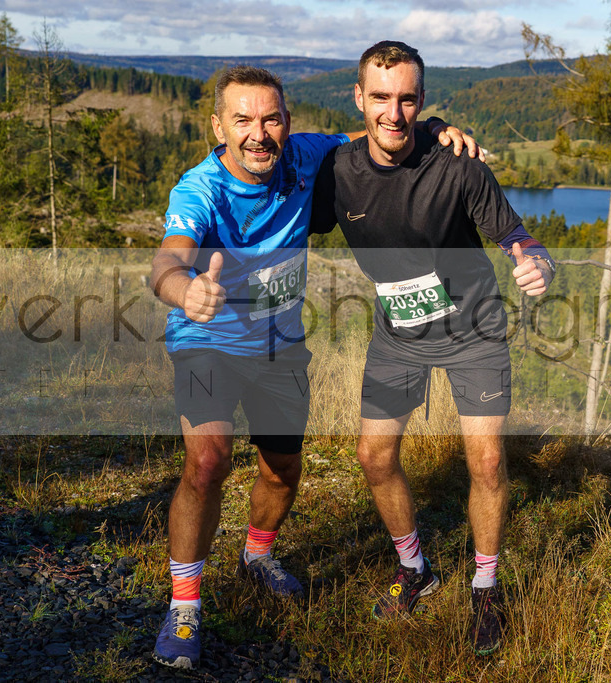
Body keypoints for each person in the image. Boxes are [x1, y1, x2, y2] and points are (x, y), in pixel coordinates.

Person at [148, 64, 479, 671]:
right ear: (218, 125)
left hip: (280, 349)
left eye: (270, 118)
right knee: (208, 461)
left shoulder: (306, 156)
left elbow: (381, 136)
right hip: (207, 340)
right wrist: (181, 289)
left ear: (287, 122)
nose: (258, 133)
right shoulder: (199, 190)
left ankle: (258, 554)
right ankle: (185, 605)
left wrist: (434, 128)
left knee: (281, 470)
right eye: (242, 120)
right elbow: (168, 259)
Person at [312, 41, 556, 656]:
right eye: (381, 98)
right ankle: (416, 567)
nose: (394, 113)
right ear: (359, 99)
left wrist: (537, 264)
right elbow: (275, 188)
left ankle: (485, 585)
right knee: (373, 456)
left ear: (422, 102)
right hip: (400, 334)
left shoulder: (457, 165)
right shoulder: (337, 172)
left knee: (489, 463)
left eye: (408, 100)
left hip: (474, 329)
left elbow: (516, 234)